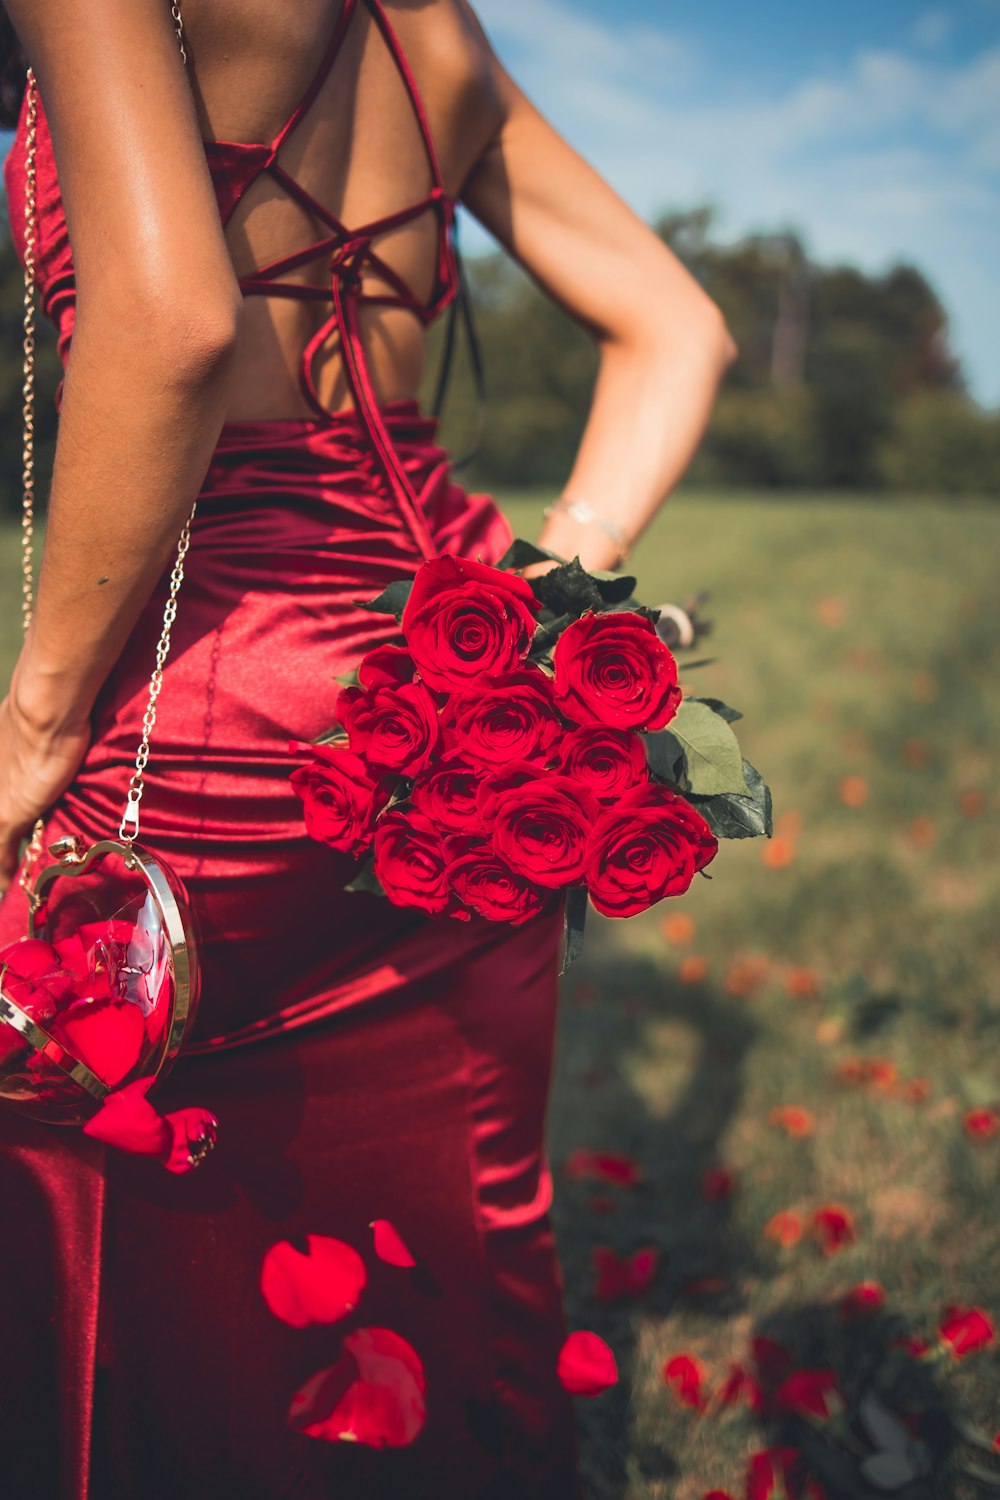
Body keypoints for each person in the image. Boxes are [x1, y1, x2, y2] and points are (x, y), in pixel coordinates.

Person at [0, 1, 737, 1495]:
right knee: (463, 1205)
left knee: (90, 1191)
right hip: (458, 695)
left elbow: (175, 324)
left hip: (214, 676)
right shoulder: (436, 31)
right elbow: (683, 327)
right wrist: (539, 609)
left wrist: (39, 718)